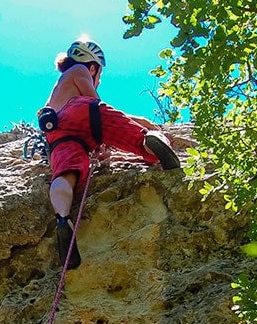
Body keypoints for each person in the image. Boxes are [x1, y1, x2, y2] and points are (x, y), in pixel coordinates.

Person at [40, 38, 180, 269]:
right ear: (93, 66)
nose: (98, 79)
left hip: (59, 132)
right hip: (84, 111)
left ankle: (63, 219)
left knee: (65, 174)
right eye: (99, 75)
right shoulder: (81, 70)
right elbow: (93, 103)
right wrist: (139, 123)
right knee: (137, 138)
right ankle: (152, 140)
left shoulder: (55, 92)